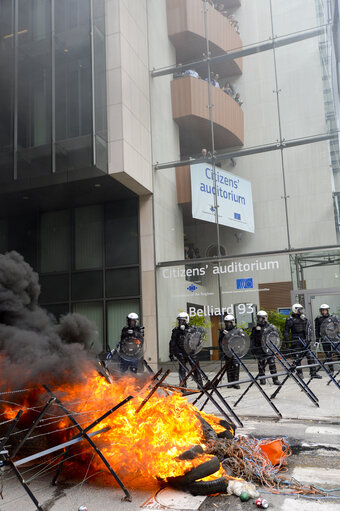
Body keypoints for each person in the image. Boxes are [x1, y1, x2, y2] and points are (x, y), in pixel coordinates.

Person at [284, 304, 321, 379]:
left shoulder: (304, 318)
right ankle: (300, 373)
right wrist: (287, 342)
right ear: (295, 309)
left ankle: (313, 373)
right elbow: (286, 331)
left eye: (301, 310)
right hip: (295, 340)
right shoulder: (290, 320)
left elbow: (309, 329)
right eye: (299, 310)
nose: (301, 311)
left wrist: (309, 339)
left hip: (305, 340)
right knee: (297, 358)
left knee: (310, 356)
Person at [169, 312, 203, 388]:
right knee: (182, 370)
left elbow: (198, 340)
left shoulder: (193, 329)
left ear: (186, 320)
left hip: (191, 352)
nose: (180, 322)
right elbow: (172, 342)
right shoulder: (176, 331)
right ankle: (183, 387)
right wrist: (171, 353)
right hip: (181, 353)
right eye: (179, 320)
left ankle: (200, 385)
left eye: (182, 320)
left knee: (196, 368)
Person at [250, 311, 280, 385]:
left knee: (272, 363)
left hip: (268, 348)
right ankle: (262, 379)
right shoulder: (255, 328)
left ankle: (275, 379)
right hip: (259, 348)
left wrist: (274, 347)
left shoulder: (270, 327)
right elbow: (253, 339)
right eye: (259, 318)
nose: (261, 320)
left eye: (262, 318)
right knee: (261, 364)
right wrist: (253, 349)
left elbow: (275, 337)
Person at [314, 304, 338, 375]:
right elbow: (317, 330)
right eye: (322, 310)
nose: (324, 311)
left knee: (338, 353)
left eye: (325, 310)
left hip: (334, 338)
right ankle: (331, 370)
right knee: (328, 354)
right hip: (324, 339)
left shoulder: (333, 317)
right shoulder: (318, 319)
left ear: (327, 310)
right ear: (320, 311)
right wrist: (317, 340)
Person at [218, 314, 240, 389]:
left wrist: (229, 334)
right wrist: (222, 350)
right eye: (226, 322)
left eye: (229, 322)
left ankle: (236, 382)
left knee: (236, 365)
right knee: (229, 366)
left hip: (235, 351)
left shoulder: (237, 330)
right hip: (227, 351)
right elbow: (220, 341)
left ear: (233, 322)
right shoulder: (224, 331)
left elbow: (240, 340)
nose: (228, 324)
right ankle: (230, 382)